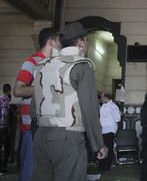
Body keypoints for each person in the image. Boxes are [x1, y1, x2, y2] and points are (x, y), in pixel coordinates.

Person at [31, 22, 108, 180]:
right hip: (67, 139)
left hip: (40, 137)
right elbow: (90, 109)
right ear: (80, 42)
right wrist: (98, 144)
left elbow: (34, 106)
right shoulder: (81, 65)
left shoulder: (43, 65)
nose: (86, 45)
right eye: (86, 41)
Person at [13, 27, 60, 181]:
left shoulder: (55, 64)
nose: (61, 45)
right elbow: (18, 90)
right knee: (29, 171)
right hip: (31, 128)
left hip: (49, 126)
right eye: (58, 41)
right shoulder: (31, 62)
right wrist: (43, 87)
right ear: (51, 42)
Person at [99, 92, 121, 171]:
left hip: (109, 130)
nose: (101, 99)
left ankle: (106, 166)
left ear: (106, 97)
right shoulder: (103, 105)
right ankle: (102, 165)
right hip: (102, 130)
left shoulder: (113, 106)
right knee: (102, 147)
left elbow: (118, 119)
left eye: (102, 97)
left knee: (108, 148)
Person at [0, 84, 11, 173]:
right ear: (9, 90)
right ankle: (2, 168)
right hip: (3, 127)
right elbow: (4, 114)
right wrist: (8, 127)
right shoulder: (6, 99)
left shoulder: (0, 98)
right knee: (7, 147)